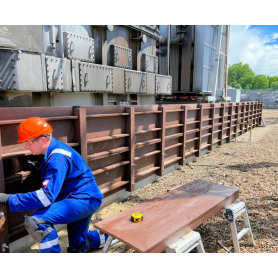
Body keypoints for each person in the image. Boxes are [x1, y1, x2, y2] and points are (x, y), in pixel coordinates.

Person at [0, 117, 107, 253]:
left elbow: (46, 197)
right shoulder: (53, 152)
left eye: (28, 142)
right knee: (78, 247)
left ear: (43, 140)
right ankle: (109, 235)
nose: (26, 147)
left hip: (82, 200)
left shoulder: (57, 158)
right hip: (85, 199)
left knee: (37, 222)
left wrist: (8, 199)